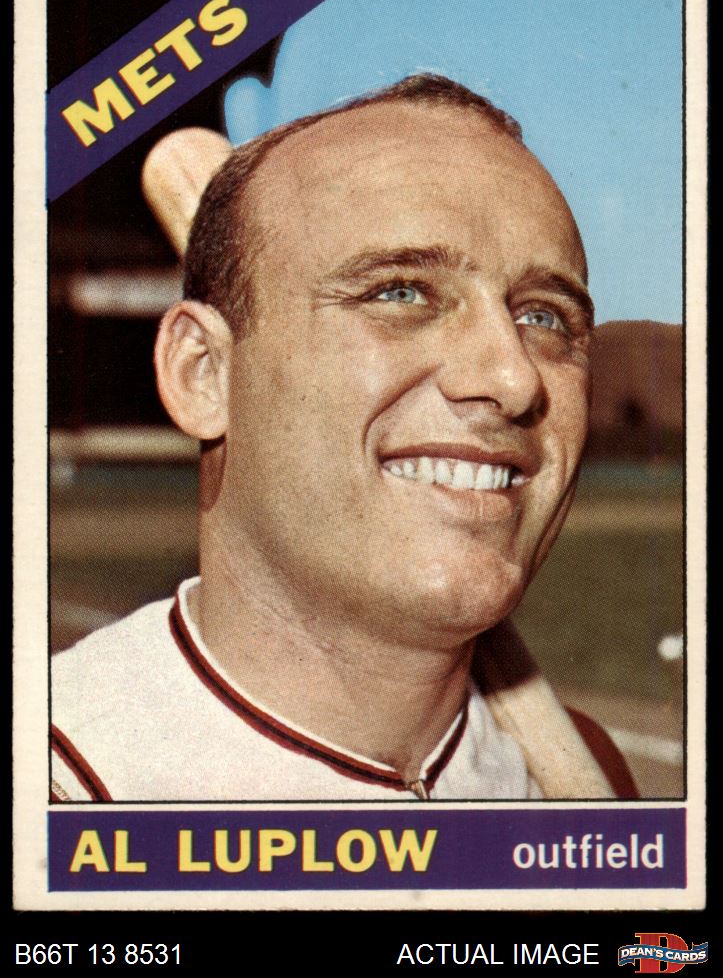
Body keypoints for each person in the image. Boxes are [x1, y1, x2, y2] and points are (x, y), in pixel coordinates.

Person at [51, 74, 636, 802]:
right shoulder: (54, 791)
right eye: (399, 292)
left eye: (544, 316)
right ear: (204, 375)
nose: (512, 378)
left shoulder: (591, 787)